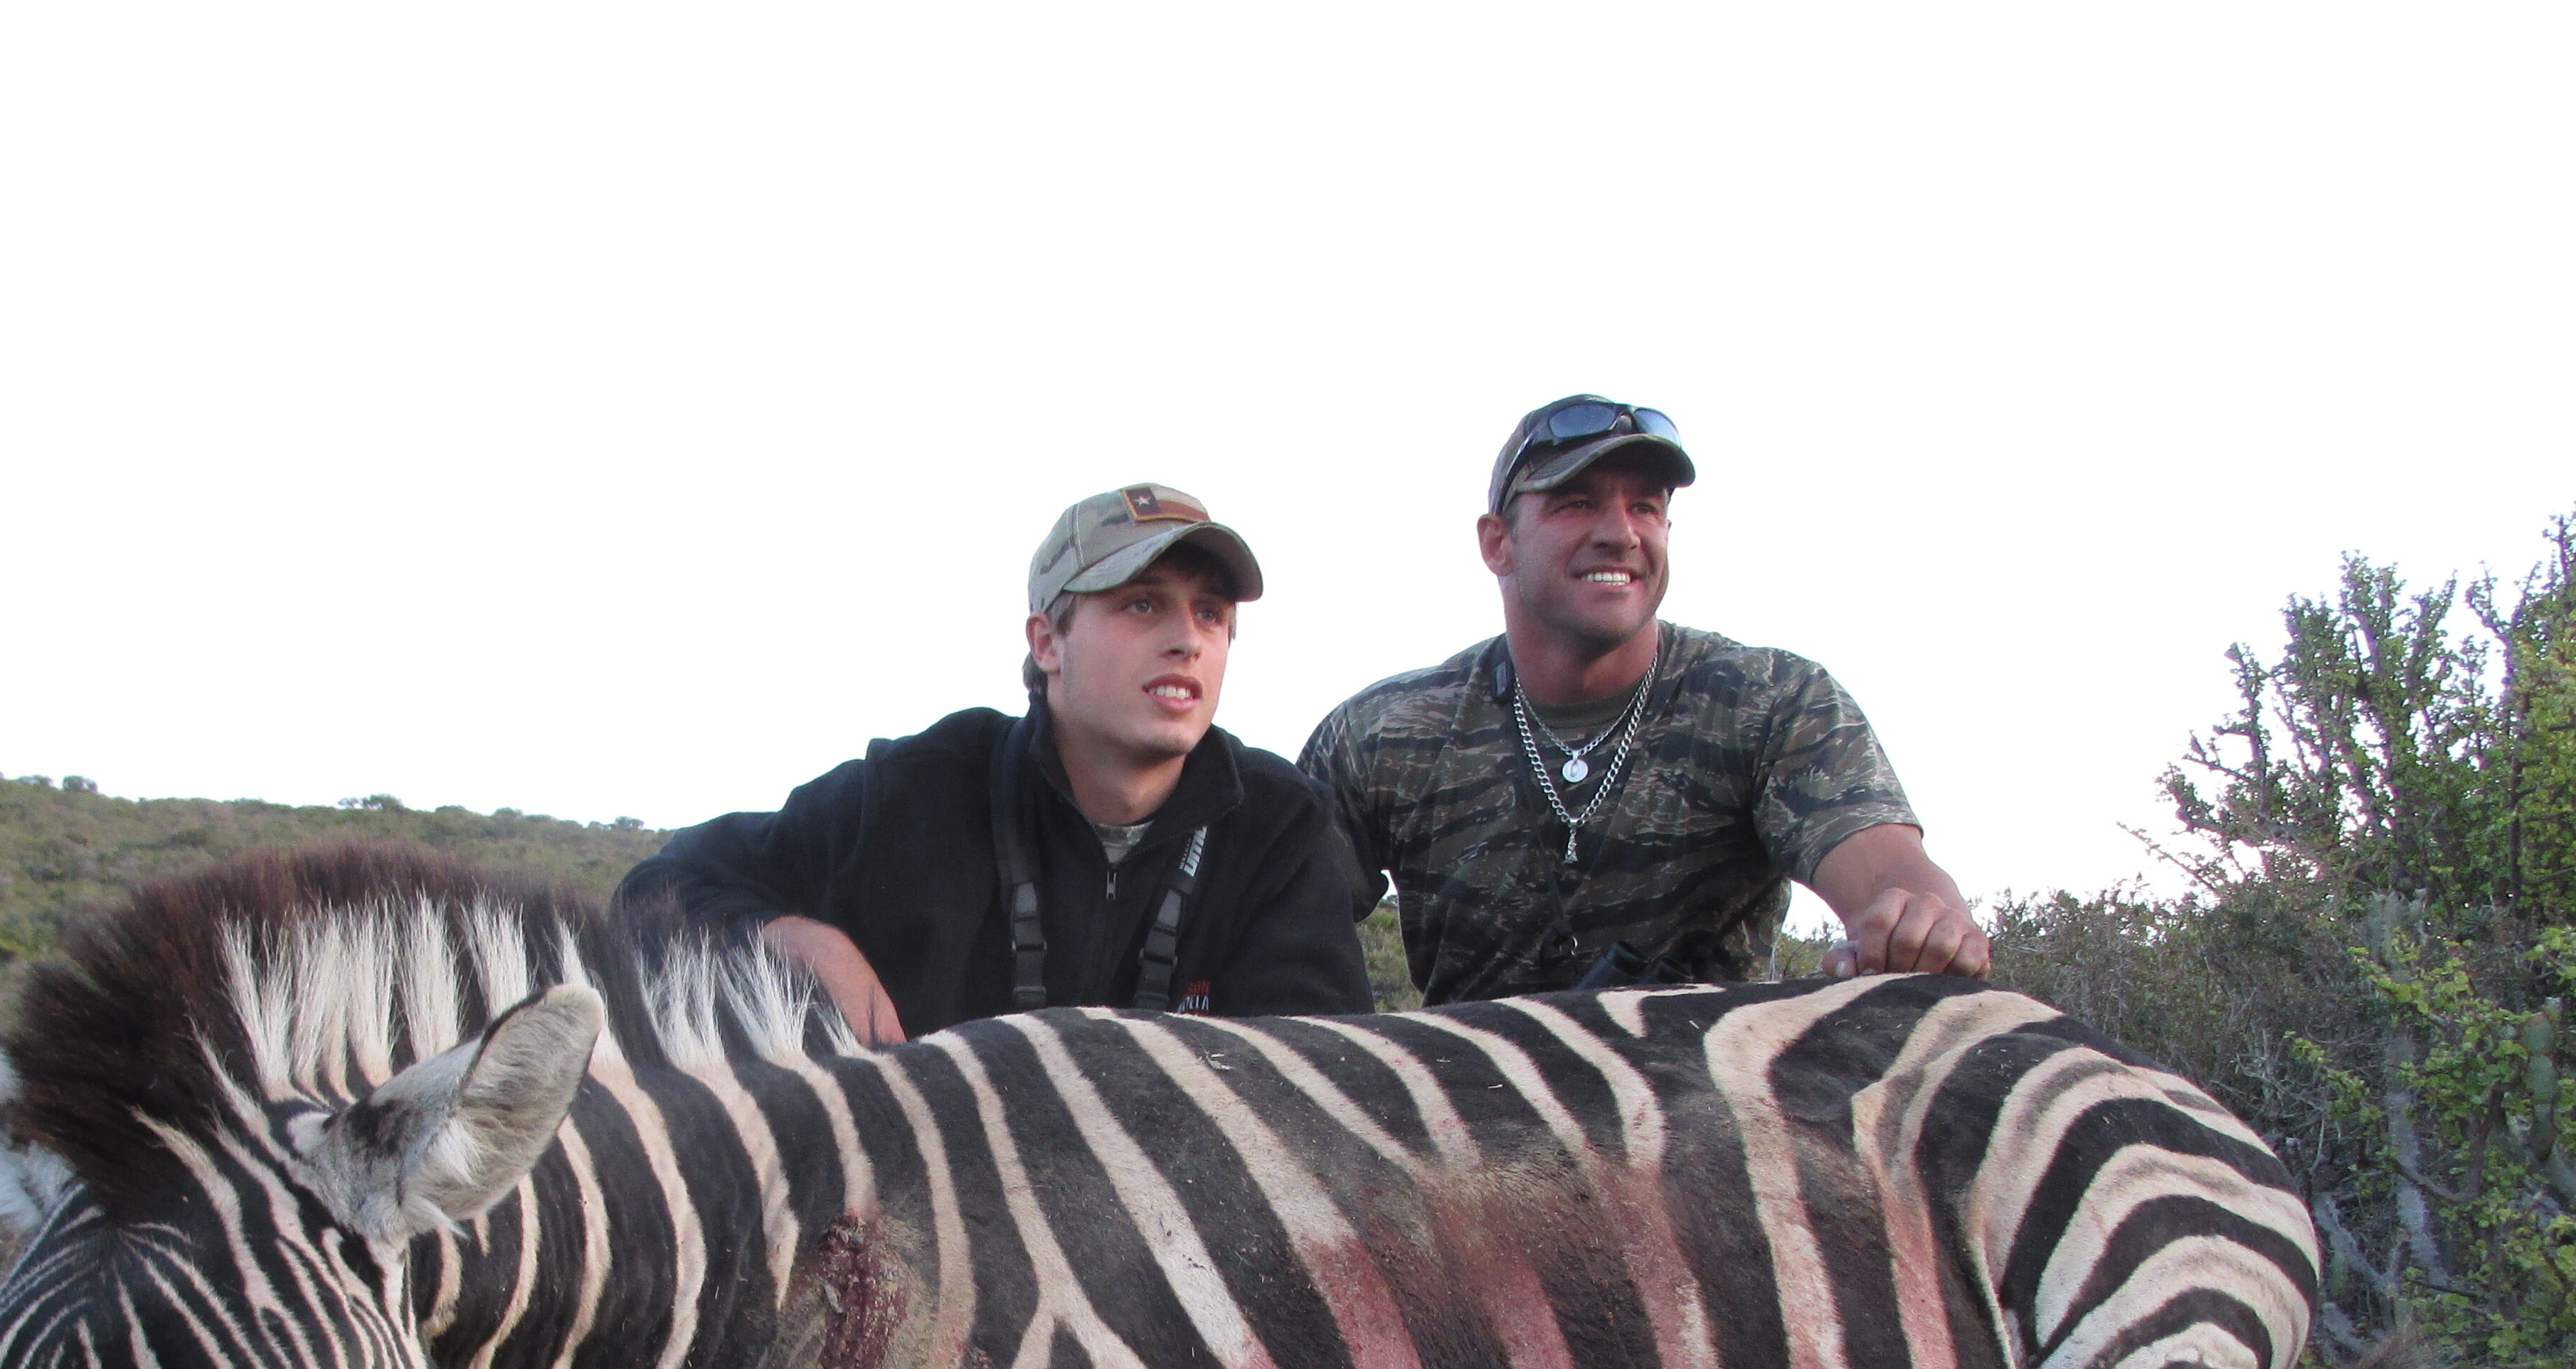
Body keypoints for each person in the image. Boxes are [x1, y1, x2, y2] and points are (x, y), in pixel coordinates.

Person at [618, 486, 1374, 1043]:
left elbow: (1324, 1091)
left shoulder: (1281, 828)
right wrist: (797, 938)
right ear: (1047, 642)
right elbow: (659, 886)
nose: (1187, 639)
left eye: (1211, 614)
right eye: (1142, 605)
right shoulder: (921, 790)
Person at [1300, 395, 1990, 1004]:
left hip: (1710, 1124)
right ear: (1498, 543)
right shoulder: (1380, 737)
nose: (1621, 532)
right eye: (1576, 502)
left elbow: (1895, 875)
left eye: (1646, 508)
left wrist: (1921, 926)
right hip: (1464, 1127)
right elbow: (1276, 940)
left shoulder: (1774, 701)